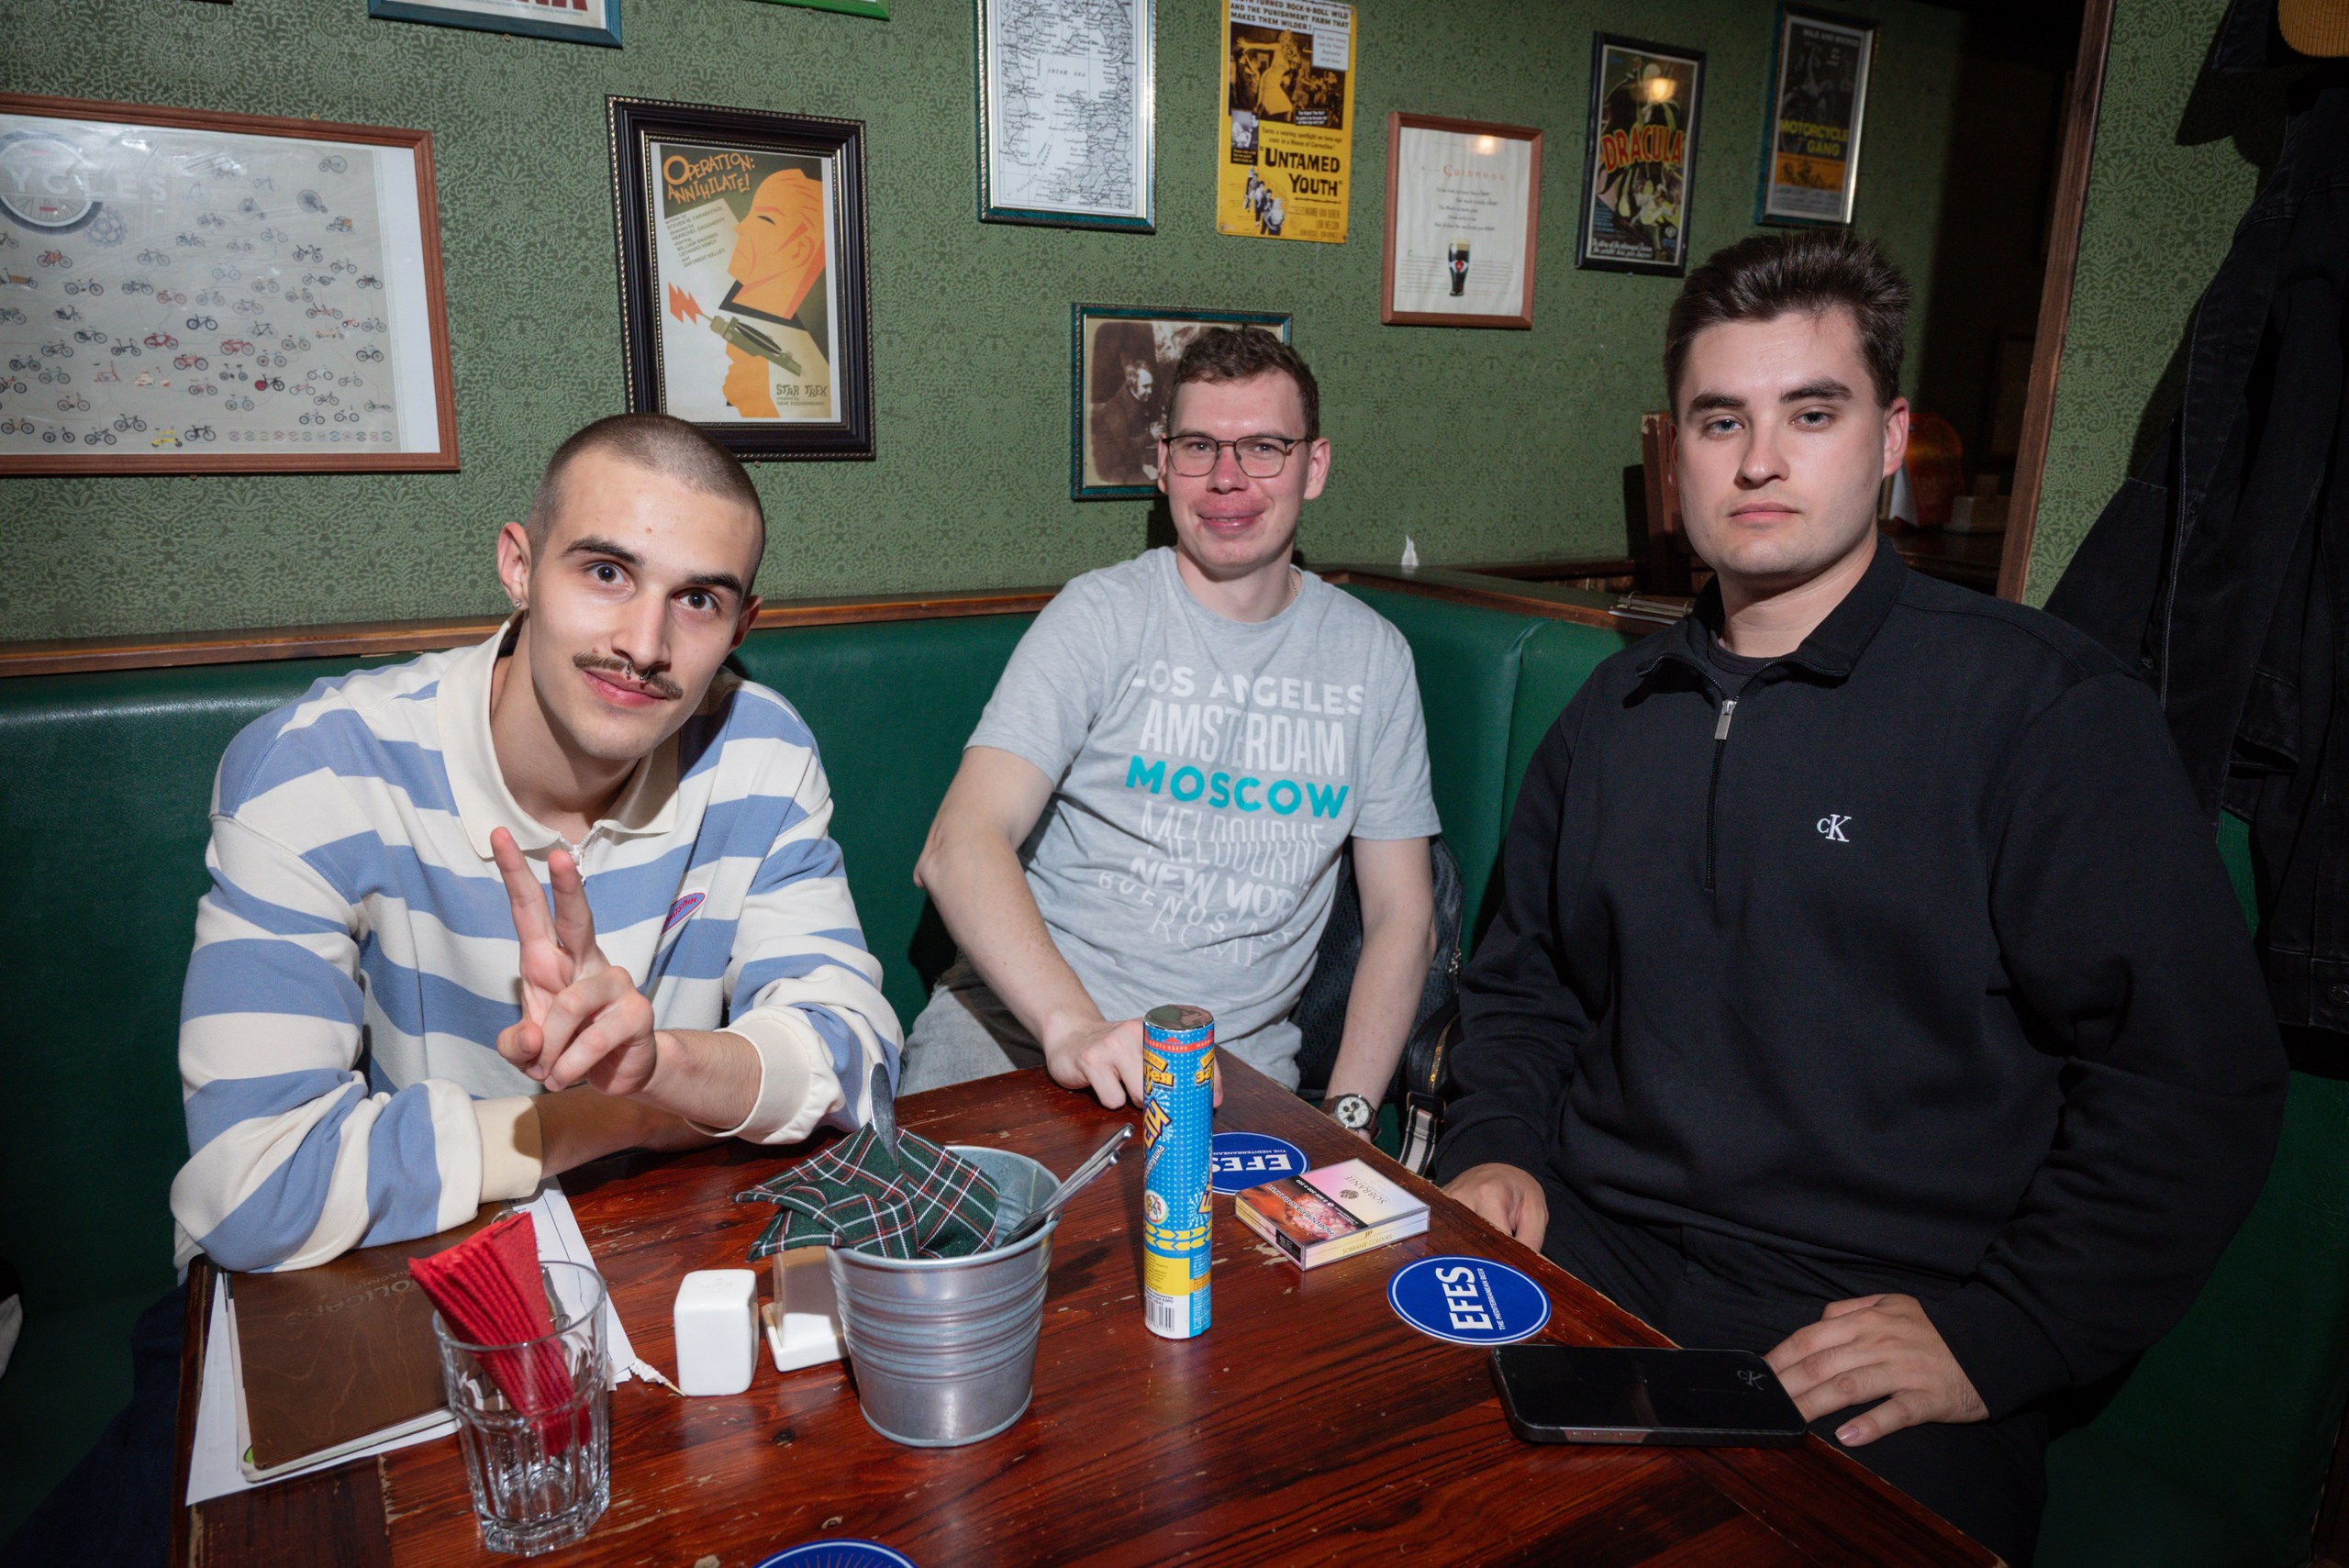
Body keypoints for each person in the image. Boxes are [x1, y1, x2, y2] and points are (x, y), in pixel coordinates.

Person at [1435, 231, 2287, 1564]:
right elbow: (1524, 981)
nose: (1759, 461)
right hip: (1590, 1256)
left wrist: (2005, 1332)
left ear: (1890, 440)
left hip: (1868, 1319)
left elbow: (2190, 1078)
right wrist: (1494, 1146)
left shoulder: (2042, 710)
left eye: (1811, 413)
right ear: (1675, 456)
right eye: (1722, 420)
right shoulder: (1611, 713)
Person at [170, 413, 899, 1273]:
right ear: (519, 567)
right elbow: (255, 1184)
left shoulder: (759, 749)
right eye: (606, 572)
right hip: (404, 1264)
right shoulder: (318, 765)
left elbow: (854, 1058)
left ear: (742, 627)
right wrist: (621, 1112)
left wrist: (662, 1062)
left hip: (661, 1246)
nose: (644, 645)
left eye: (698, 599)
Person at [903, 327, 1439, 1138]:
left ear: (1314, 466)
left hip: (1230, 1076)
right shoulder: (1099, 616)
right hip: (1018, 1038)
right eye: (1199, 447)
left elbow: (1403, 915)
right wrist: (1075, 1029)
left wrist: (1349, 1119)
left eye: (1264, 447)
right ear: (1163, 464)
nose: (1228, 477)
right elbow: (959, 843)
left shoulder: (1373, 658)